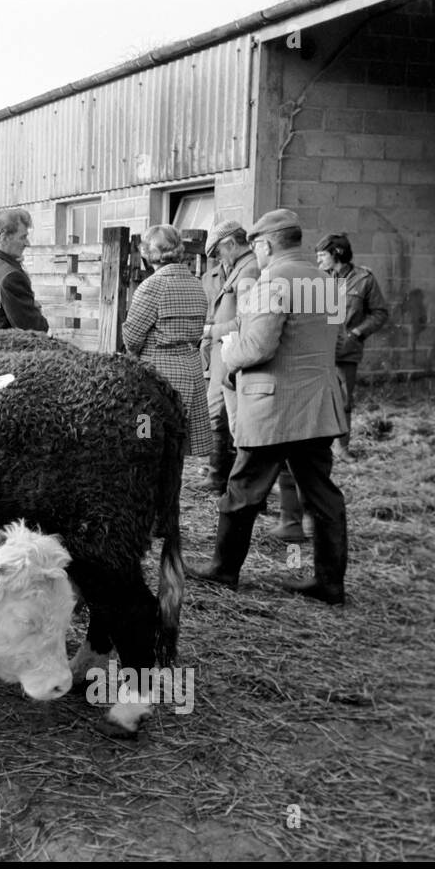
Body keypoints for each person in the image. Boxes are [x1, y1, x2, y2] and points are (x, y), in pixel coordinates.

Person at [189, 209, 348, 605]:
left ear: (264, 244)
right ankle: (330, 583)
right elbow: (337, 341)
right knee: (323, 495)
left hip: (273, 406)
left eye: (256, 246)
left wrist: (229, 349)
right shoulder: (326, 282)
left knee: (243, 489)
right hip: (317, 406)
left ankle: (223, 570)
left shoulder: (272, 280)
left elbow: (258, 346)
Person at [123, 224, 212, 458]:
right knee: (176, 445)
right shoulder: (196, 283)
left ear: (148, 253)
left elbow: (132, 337)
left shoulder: (152, 286)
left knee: (146, 438)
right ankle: (172, 490)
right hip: (191, 370)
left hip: (156, 374)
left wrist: (133, 355)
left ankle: (150, 492)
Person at [317, 232, 389, 461]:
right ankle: (317, 448)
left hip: (347, 350)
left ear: (337, 254)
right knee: (316, 398)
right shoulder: (316, 277)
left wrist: (357, 332)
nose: (319, 261)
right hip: (319, 348)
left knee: (344, 400)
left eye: (322, 256)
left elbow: (380, 313)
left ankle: (341, 447)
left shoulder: (364, 279)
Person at [200, 221, 260, 493]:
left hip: (234, 353)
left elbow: (247, 321)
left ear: (231, 244)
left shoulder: (250, 270)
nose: (217, 259)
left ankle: (242, 486)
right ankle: (218, 476)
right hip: (220, 352)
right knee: (217, 414)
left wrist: (211, 330)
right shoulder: (236, 269)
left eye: (218, 252)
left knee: (237, 423)